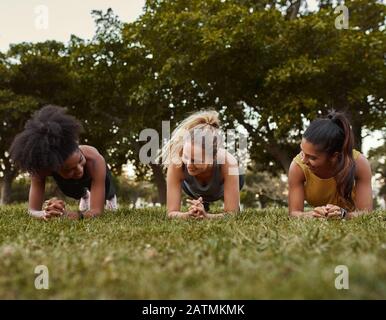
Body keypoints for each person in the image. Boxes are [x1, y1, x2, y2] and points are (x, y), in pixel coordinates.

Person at [10, 105, 118, 220]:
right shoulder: (42, 169)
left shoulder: (95, 160)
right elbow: (32, 210)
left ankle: (110, 197)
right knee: (70, 189)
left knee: (106, 187)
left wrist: (75, 216)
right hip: (67, 181)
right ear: (51, 168)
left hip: (96, 174)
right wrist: (45, 214)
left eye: (80, 160)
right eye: (69, 169)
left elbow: (97, 211)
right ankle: (84, 194)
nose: (79, 170)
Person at [159, 110, 244, 219]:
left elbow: (233, 214)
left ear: (213, 157)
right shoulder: (177, 163)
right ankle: (203, 203)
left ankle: (213, 201)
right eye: (186, 156)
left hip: (221, 187)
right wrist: (187, 215)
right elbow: (171, 213)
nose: (189, 164)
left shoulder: (228, 163)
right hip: (193, 189)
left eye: (196, 160)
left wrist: (207, 216)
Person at [288, 111, 373, 219]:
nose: (304, 160)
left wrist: (344, 215)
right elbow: (294, 213)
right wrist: (310, 215)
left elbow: (366, 213)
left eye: (312, 157)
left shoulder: (359, 163)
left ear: (334, 156)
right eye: (302, 152)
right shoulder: (297, 167)